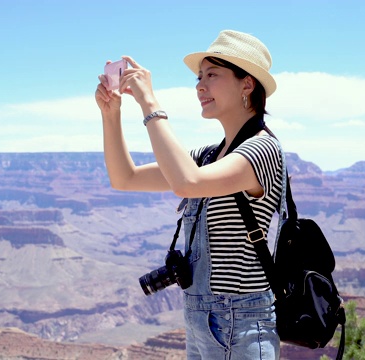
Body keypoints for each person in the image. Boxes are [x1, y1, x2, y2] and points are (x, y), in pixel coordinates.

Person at [95, 30, 283, 360]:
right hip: (204, 323)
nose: (200, 86)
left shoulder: (262, 150)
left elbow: (186, 183)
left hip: (238, 325)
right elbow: (125, 178)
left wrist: (149, 103)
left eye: (212, 75)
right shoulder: (209, 156)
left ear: (247, 84)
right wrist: (111, 114)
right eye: (199, 77)